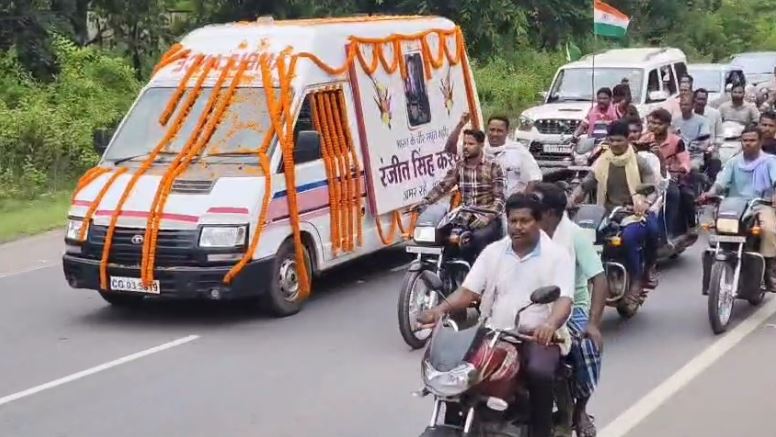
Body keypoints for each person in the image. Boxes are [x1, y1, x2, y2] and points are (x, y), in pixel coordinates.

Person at [418, 193, 575, 437]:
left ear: (539, 221)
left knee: (539, 372)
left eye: (525, 221)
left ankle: (543, 431)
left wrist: (550, 324)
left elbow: (564, 299)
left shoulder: (557, 255)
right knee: (461, 375)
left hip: (535, 336)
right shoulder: (494, 252)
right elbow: (469, 291)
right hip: (493, 332)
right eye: (513, 221)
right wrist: (438, 310)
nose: (518, 227)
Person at [532, 183, 607, 437]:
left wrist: (593, 323)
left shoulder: (574, 236)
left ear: (552, 213)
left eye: (536, 209)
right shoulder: (525, 234)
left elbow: (599, 278)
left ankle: (580, 411)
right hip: (531, 306)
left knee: (585, 347)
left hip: (572, 308)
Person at [572, 120, 659, 306]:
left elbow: (652, 187)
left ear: (628, 140)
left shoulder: (639, 162)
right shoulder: (602, 162)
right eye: (611, 140)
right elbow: (585, 186)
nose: (615, 144)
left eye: (619, 140)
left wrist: (644, 201)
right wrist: (570, 202)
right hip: (605, 213)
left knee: (632, 237)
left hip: (633, 212)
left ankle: (638, 280)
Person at [699, 125, 776, 292]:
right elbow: (721, 182)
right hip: (734, 205)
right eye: (745, 140)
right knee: (714, 228)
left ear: (760, 141)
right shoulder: (734, 162)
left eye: (752, 140)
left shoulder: (770, 161)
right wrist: (709, 193)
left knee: (769, 229)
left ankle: (769, 270)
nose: (748, 144)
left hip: (760, 204)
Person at [415, 128, 505, 256]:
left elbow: (500, 199)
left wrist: (488, 217)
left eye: (471, 144)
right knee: (433, 236)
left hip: (487, 217)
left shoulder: (493, 166)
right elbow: (443, 187)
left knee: (477, 239)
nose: (466, 147)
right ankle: (442, 268)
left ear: (481, 145)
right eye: (465, 143)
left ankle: (480, 272)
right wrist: (425, 201)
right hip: (463, 216)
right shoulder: (460, 165)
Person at [445, 113, 542, 196]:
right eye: (492, 130)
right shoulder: (477, 146)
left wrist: (522, 203)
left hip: (509, 208)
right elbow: (449, 149)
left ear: (507, 131)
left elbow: (534, 179)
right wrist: (460, 125)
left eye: (499, 131)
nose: (494, 134)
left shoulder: (518, 151)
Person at [641, 109, 695, 243]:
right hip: (649, 177)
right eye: (652, 123)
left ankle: (670, 231)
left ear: (667, 125)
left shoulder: (676, 141)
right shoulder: (645, 138)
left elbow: (685, 162)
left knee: (673, 194)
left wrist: (680, 170)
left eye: (658, 124)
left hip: (670, 177)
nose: (654, 126)